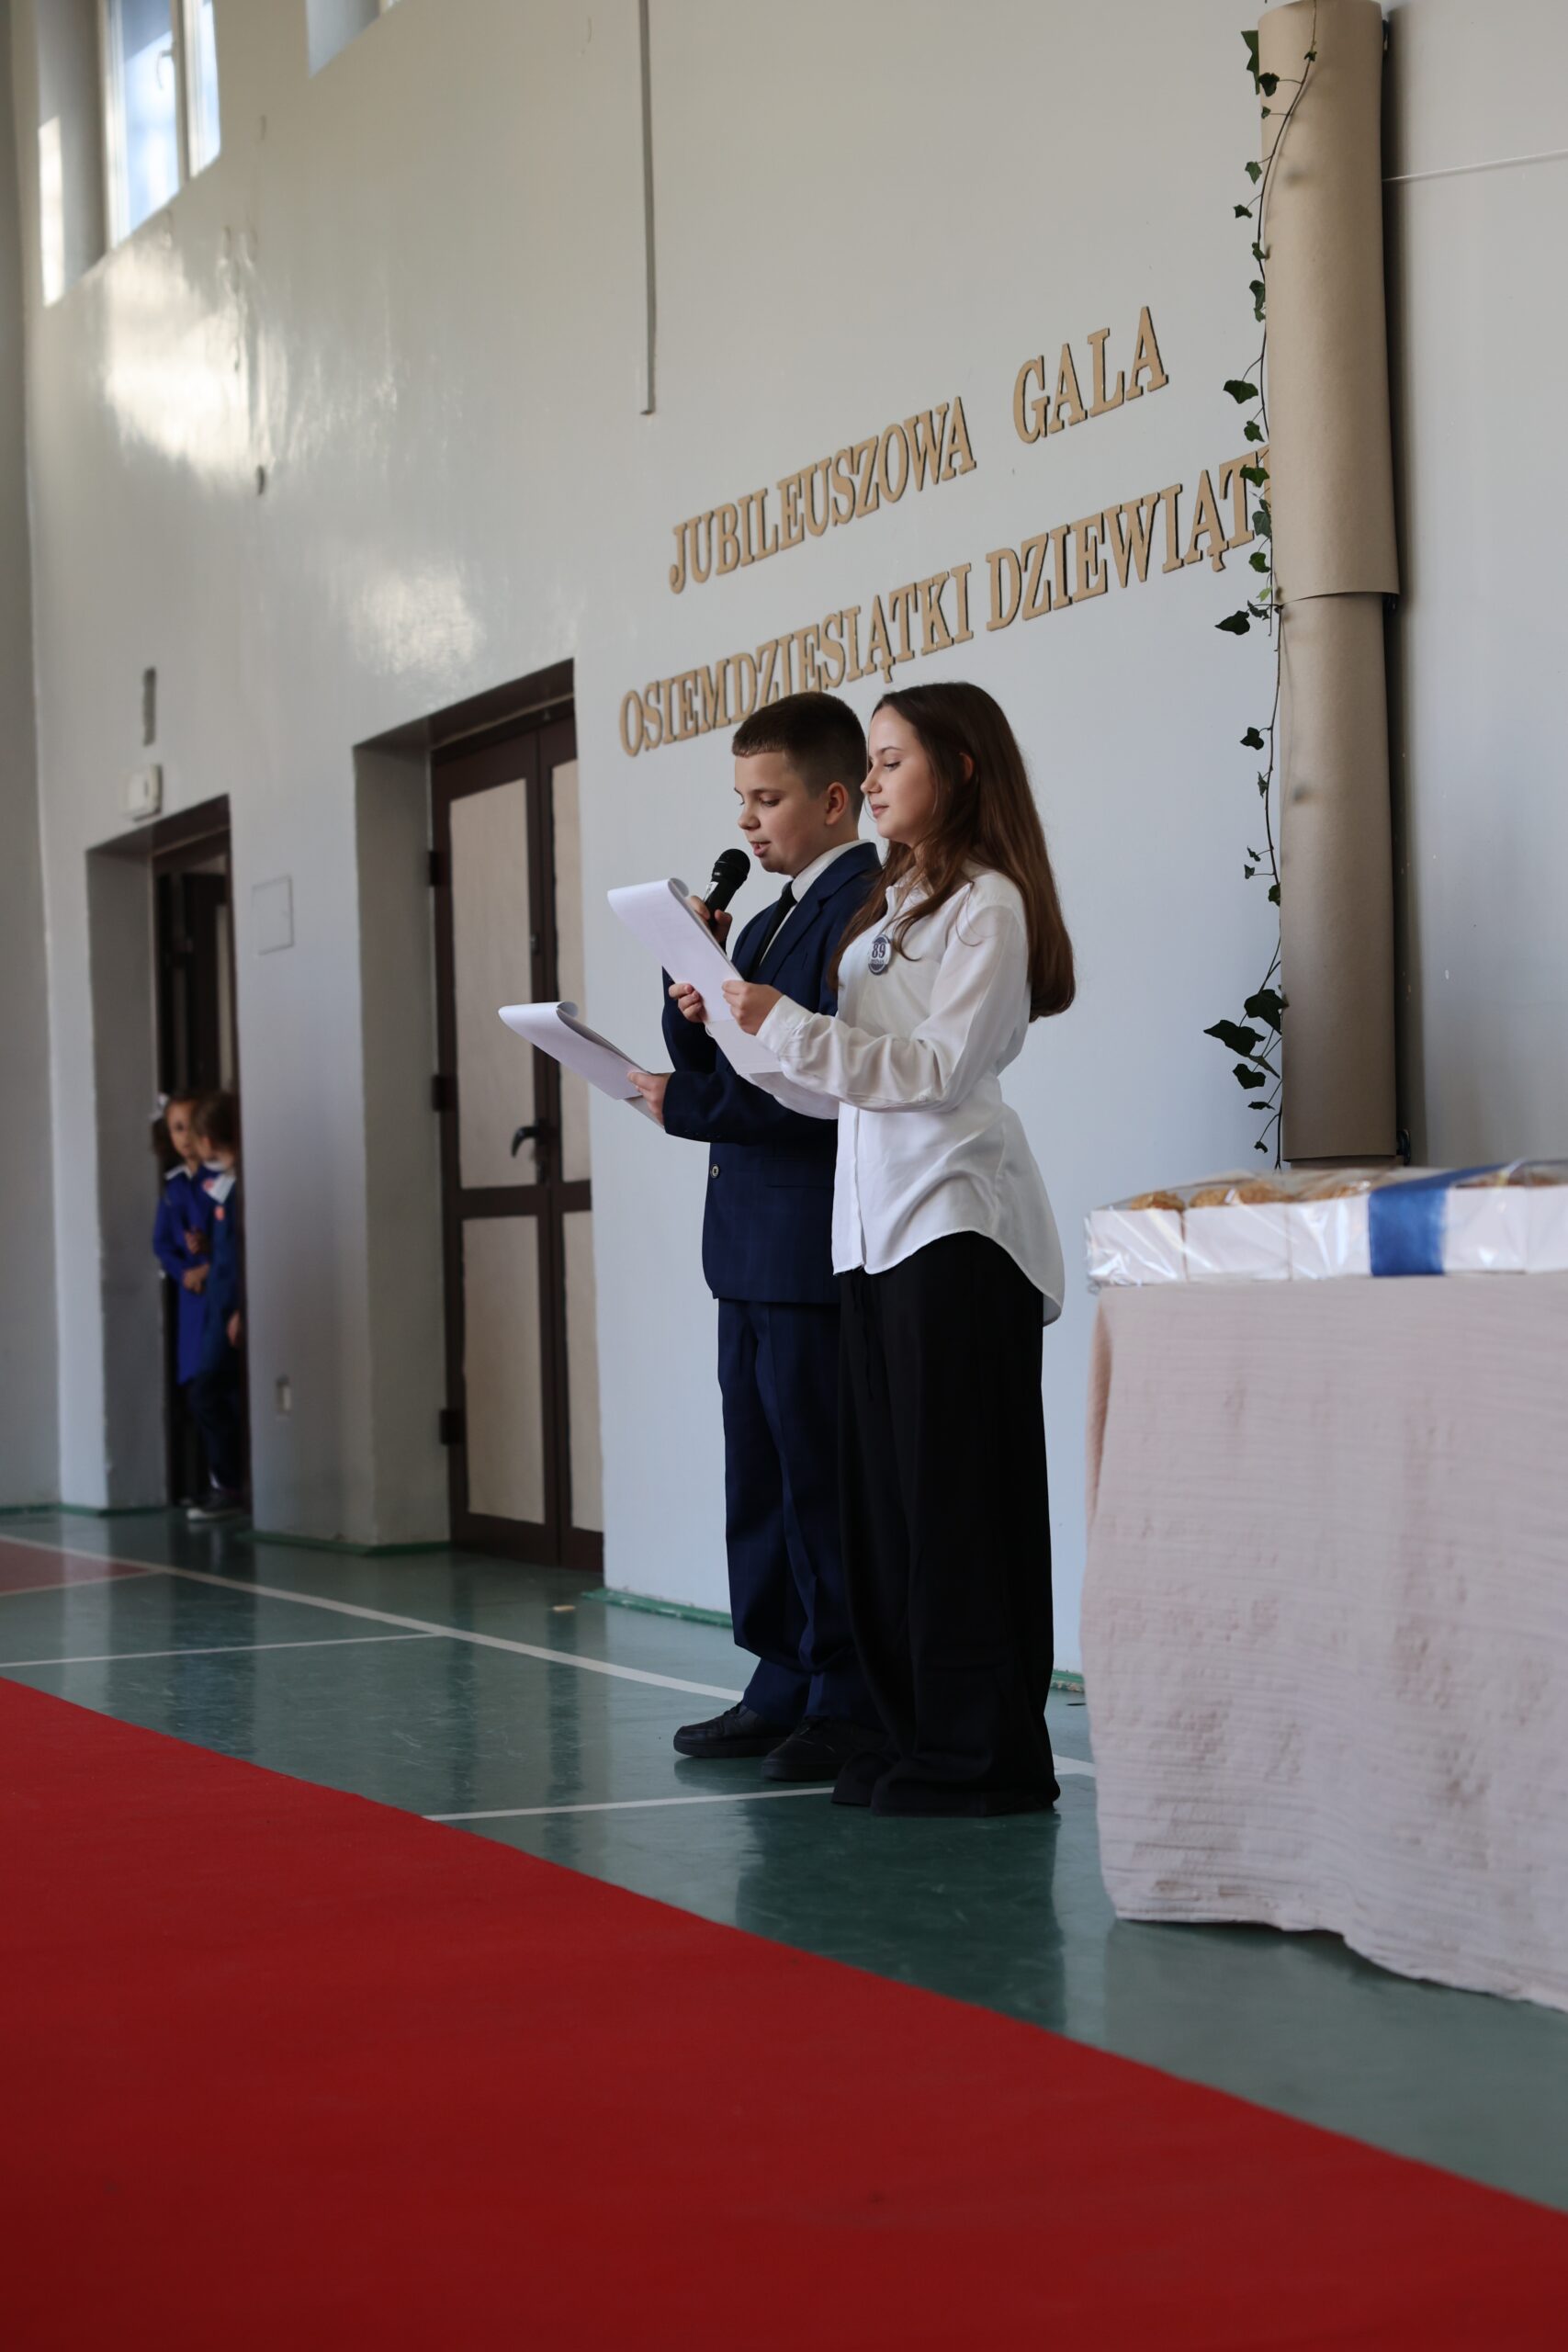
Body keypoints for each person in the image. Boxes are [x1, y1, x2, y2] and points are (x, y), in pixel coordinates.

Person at [715, 681, 1076, 1817]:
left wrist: (789, 1025)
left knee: (957, 1502)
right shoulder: (895, 904)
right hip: (872, 1233)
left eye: (888, 760)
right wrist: (747, 1029)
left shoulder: (989, 905)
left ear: (957, 768)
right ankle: (907, 1727)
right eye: (868, 762)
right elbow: (840, 1088)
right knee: (887, 1506)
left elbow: (934, 1072)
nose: (869, 782)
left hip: (953, 1226)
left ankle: (982, 1752)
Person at [628, 693, 883, 1782]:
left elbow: (817, 1088)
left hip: (809, 1239)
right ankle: (781, 1677)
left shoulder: (861, 911)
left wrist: (682, 1103)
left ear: (835, 800)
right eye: (741, 799)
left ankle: (845, 1693)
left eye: (768, 798)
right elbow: (729, 1064)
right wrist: (688, 997)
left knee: (821, 1479)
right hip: (745, 1243)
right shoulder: (776, 917)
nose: (747, 821)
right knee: (763, 1477)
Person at [151, 1091, 216, 1495]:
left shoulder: (218, 1179)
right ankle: (208, 1479)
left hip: (217, 1291)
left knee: (218, 1384)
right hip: (191, 1299)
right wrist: (183, 1273)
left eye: (192, 1127)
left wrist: (208, 1261)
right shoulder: (173, 1188)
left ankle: (226, 1481)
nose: (186, 1136)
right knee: (195, 1387)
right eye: (177, 1128)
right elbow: (161, 1244)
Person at [186, 1091, 247, 1524]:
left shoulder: (242, 1187)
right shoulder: (224, 1186)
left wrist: (243, 1309)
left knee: (207, 1392)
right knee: (215, 1392)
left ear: (207, 1140)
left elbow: (246, 1254)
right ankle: (226, 1482)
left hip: (231, 1310)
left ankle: (229, 1484)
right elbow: (227, 1253)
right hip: (219, 1306)